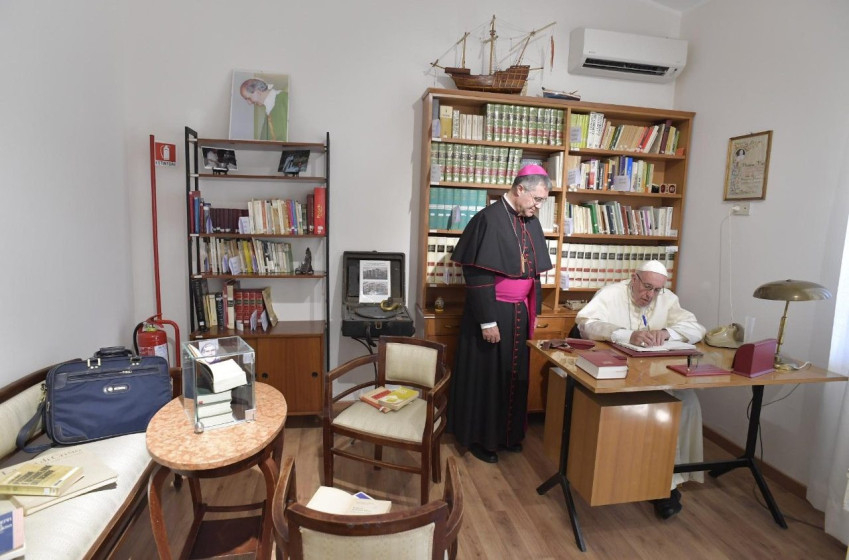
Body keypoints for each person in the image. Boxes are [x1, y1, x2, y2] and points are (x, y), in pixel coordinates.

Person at [575, 259, 707, 519]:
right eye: (647, 287)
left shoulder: (666, 299)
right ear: (634, 279)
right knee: (649, 409)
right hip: (617, 376)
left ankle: (668, 481)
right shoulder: (611, 294)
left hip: (656, 375)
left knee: (688, 402)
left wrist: (667, 333)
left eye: (657, 290)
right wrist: (626, 334)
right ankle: (633, 478)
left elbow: (696, 328)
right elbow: (585, 325)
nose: (651, 295)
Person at [448, 164, 554, 464]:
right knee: (489, 379)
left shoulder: (530, 221)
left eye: (542, 201)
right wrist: (487, 320)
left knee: (515, 377)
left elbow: (533, 272)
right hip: (492, 313)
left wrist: (534, 308)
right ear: (520, 189)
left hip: (519, 312)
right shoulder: (487, 219)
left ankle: (509, 435)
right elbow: (476, 274)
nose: (538, 206)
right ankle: (483, 439)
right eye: (537, 199)